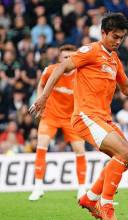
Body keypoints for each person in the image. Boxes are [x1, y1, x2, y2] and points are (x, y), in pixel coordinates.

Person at [29, 13, 128, 220]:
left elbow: (125, 89)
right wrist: (43, 97)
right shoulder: (90, 51)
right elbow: (61, 67)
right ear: (103, 32)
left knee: (127, 159)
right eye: (115, 36)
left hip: (103, 118)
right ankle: (106, 204)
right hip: (85, 116)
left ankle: (90, 197)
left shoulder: (114, 59)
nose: (118, 41)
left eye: (122, 38)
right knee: (123, 154)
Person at [28, 44, 87, 201]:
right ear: (59, 58)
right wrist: (40, 101)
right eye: (65, 57)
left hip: (71, 118)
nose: (68, 60)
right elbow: (41, 85)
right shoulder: (50, 70)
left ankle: (82, 189)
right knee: (41, 146)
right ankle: (38, 186)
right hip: (51, 115)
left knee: (80, 150)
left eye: (70, 57)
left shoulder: (82, 75)